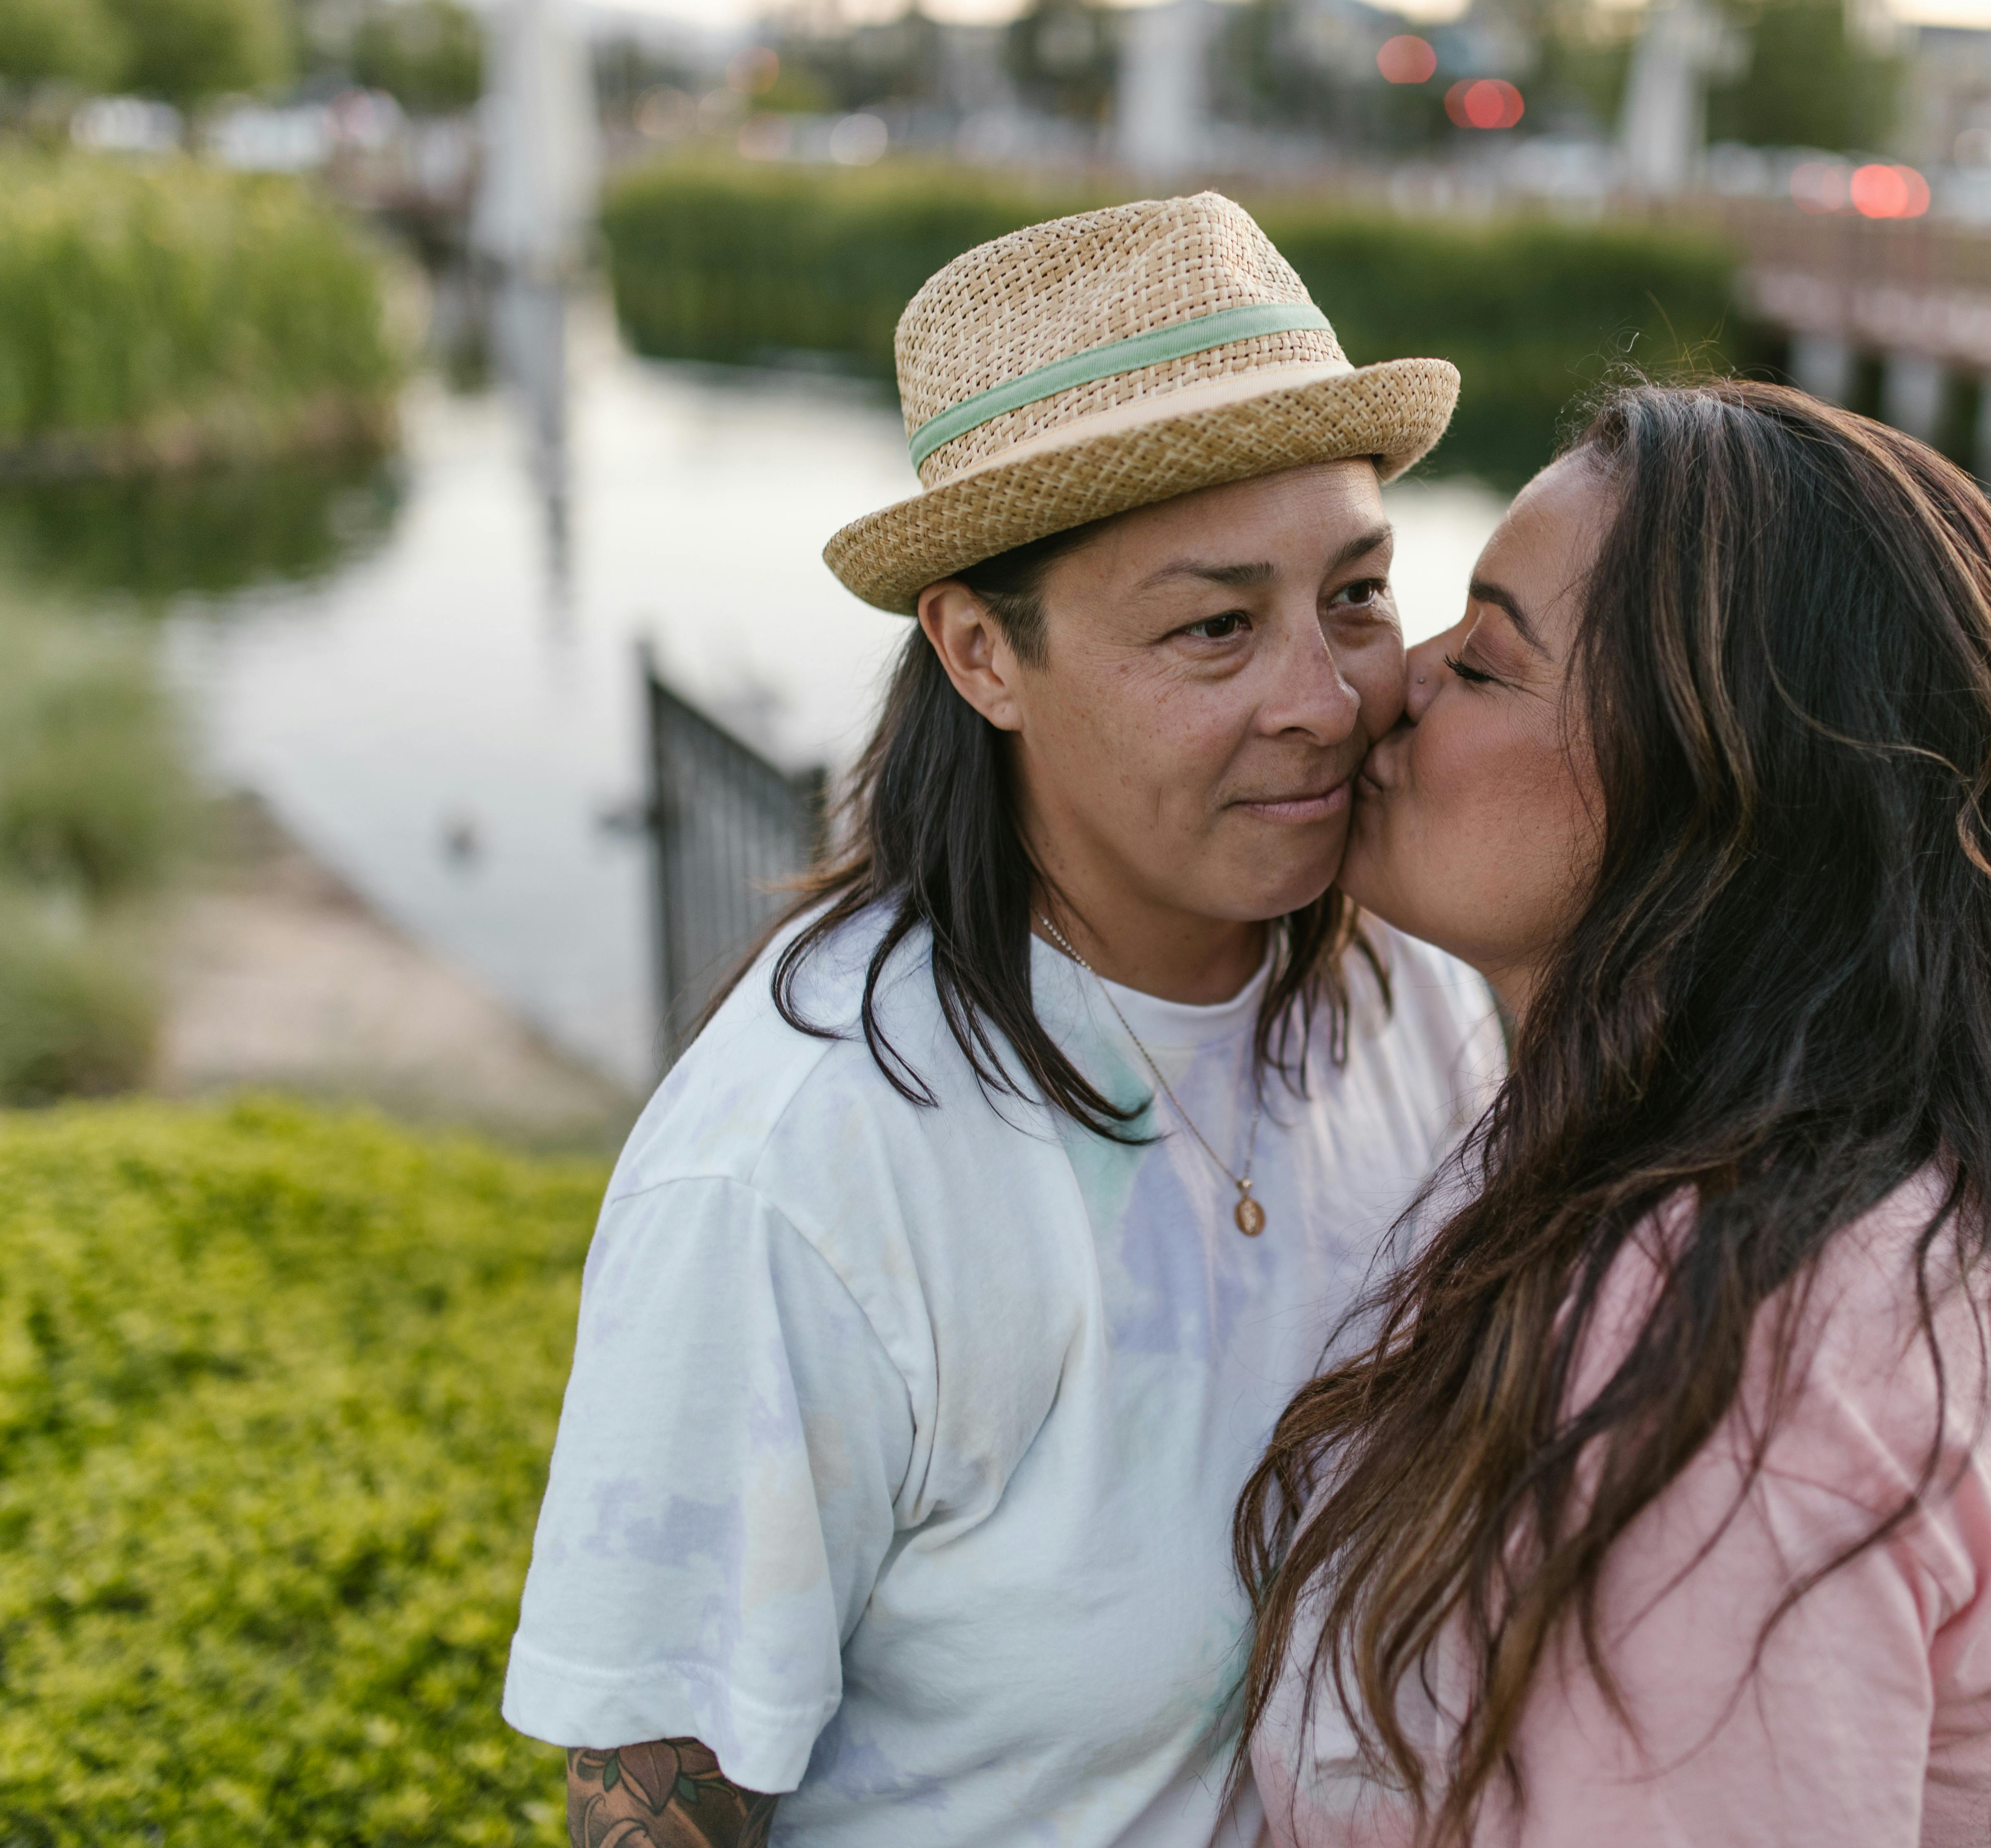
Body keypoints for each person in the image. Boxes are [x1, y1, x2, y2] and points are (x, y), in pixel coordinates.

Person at [502, 194, 1502, 1848]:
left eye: (1357, 591)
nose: (1326, 699)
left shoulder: (1418, 1000)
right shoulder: (800, 1165)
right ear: (982, 651)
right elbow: (655, 1803)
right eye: (1213, 624)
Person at [1239, 380, 1991, 1847]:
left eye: (1494, 662)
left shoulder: (1734, 1350)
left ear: (1712, 803)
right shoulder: (1791, 1199)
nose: (1391, 680)